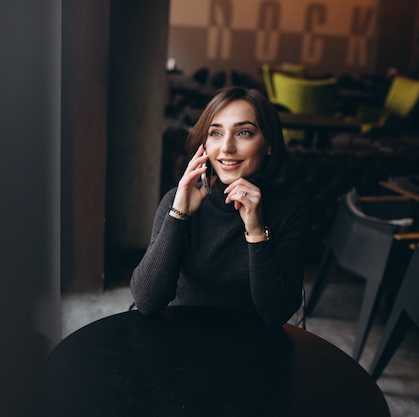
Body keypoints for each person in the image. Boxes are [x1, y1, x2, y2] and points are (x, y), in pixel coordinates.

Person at [130, 87, 310, 327]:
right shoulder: (178, 200)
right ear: (204, 143)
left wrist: (256, 232)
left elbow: (277, 313)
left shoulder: (291, 209)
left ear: (269, 144)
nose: (226, 147)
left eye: (244, 132)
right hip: (183, 337)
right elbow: (146, 301)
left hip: (254, 346)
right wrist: (179, 214)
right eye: (215, 133)